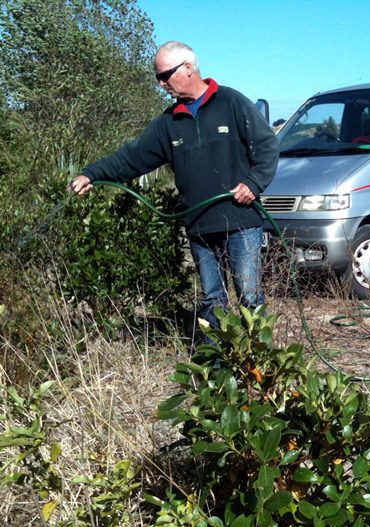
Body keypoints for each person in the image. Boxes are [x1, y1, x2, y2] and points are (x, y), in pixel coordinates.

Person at [70, 41, 279, 346]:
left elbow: (267, 146)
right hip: (200, 228)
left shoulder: (231, 102)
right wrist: (92, 173)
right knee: (212, 300)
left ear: (188, 68)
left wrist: (253, 184)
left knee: (250, 298)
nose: (161, 83)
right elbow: (131, 158)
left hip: (242, 222)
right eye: (159, 77)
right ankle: (216, 370)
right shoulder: (168, 123)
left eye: (165, 75)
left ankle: (260, 366)